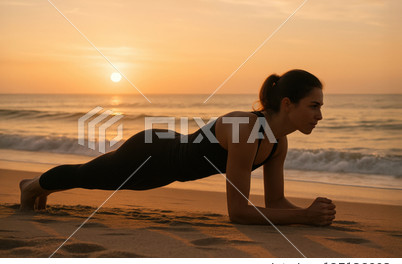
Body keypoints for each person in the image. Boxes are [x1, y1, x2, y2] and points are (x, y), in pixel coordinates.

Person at [20, 69, 336, 226]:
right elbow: (238, 213)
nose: (320, 115)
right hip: (151, 153)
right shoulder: (247, 128)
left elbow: (276, 201)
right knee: (87, 176)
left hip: (168, 168)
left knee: (90, 177)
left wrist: (310, 213)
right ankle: (31, 186)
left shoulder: (278, 142)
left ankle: (41, 187)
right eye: (314, 106)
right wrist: (303, 218)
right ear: (287, 103)